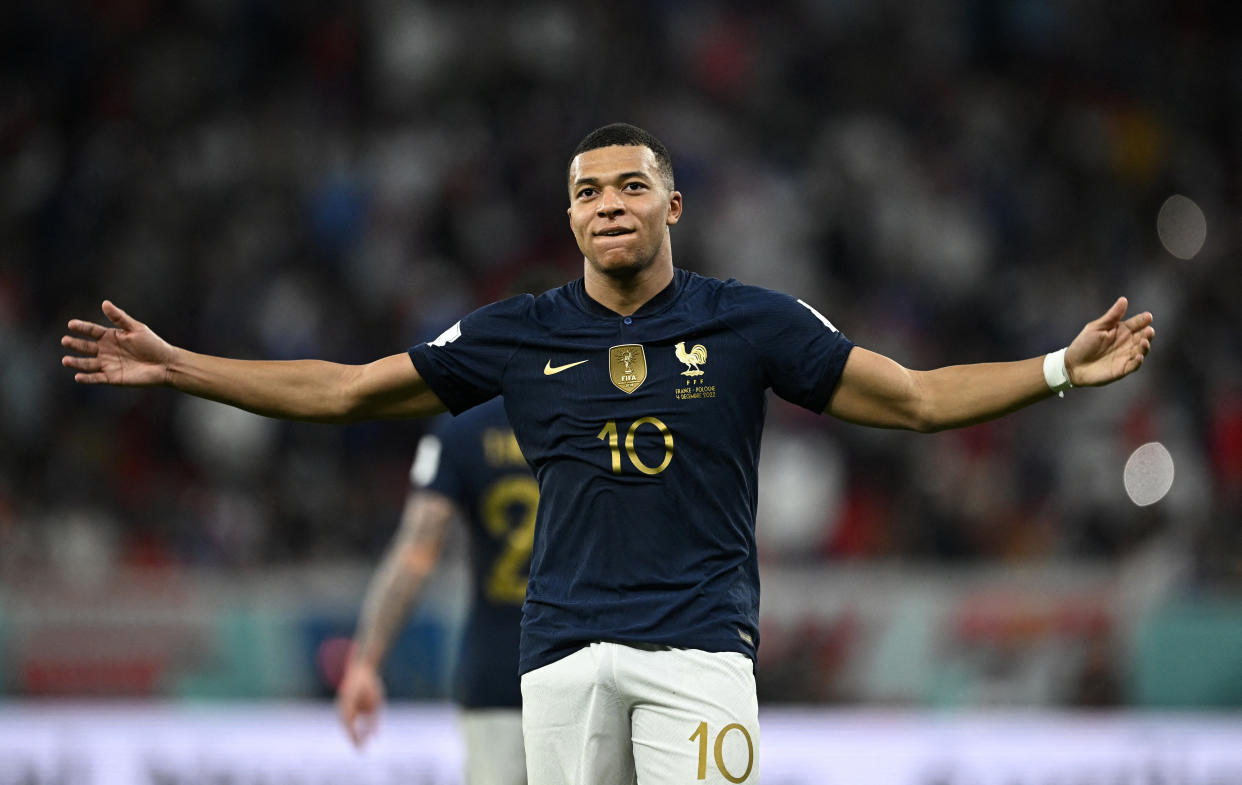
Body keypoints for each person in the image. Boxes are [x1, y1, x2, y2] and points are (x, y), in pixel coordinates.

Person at [61, 122, 1155, 784]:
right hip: (563, 652)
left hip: (698, 651)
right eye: (587, 192)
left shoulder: (749, 320)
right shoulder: (516, 331)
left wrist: (1057, 367)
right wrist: (184, 366)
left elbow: (913, 398)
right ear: (569, 218)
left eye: (630, 186)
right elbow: (347, 389)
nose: (608, 205)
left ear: (672, 205)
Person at [337, 396, 533, 785]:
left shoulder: (465, 427)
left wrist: (366, 660)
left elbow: (415, 554)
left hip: (499, 670)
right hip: (586, 659)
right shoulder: (596, 409)